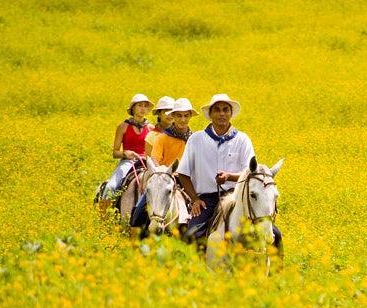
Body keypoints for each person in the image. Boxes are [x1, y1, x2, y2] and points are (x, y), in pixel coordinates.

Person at [177, 93, 282, 252]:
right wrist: (195, 199)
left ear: (231, 113)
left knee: (275, 235)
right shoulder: (196, 139)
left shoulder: (242, 139)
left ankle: (275, 274)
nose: (221, 114)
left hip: (237, 196)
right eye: (217, 110)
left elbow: (250, 172)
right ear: (210, 115)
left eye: (226, 110)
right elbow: (183, 173)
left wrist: (229, 176)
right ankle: (196, 273)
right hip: (207, 200)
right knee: (192, 235)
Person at [130, 98, 198, 229]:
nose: (183, 119)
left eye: (186, 116)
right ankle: (135, 228)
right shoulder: (162, 138)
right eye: (179, 115)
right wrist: (166, 172)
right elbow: (155, 160)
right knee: (140, 208)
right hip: (164, 178)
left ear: (190, 116)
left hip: (187, 179)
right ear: (173, 116)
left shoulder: (195, 138)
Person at [99, 93, 153, 209]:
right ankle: (103, 218)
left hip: (146, 162)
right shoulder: (123, 127)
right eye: (140, 105)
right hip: (128, 162)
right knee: (111, 187)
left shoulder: (151, 128)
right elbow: (115, 152)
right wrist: (125, 153)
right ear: (133, 108)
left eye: (145, 106)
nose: (143, 109)